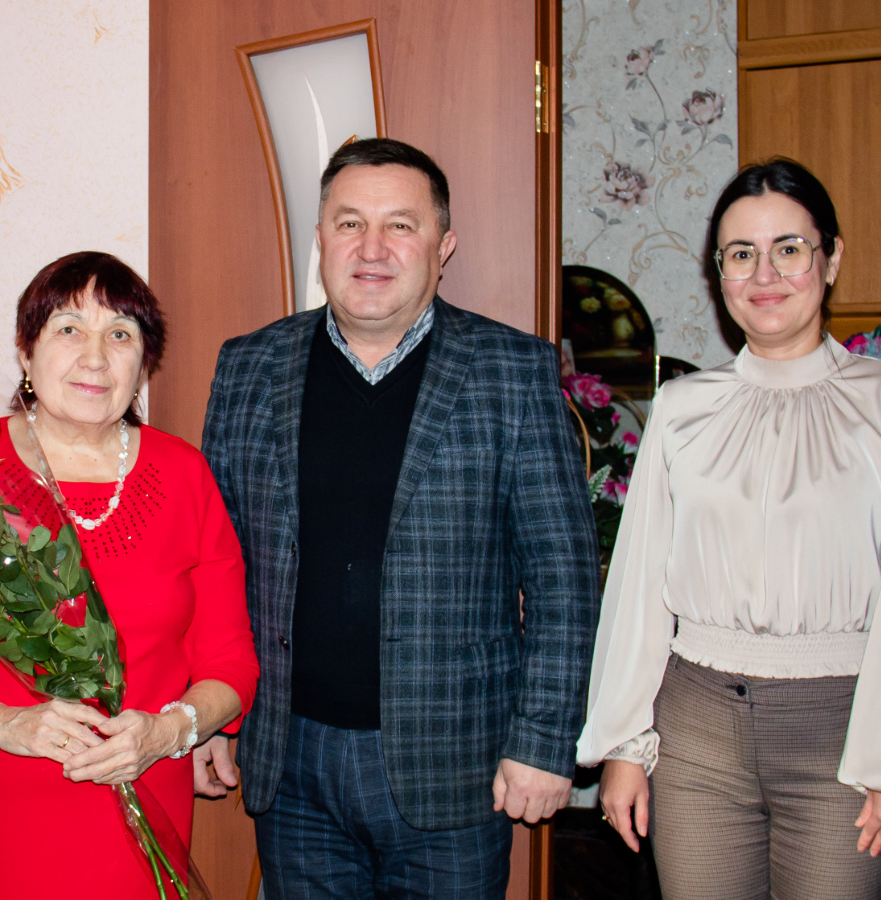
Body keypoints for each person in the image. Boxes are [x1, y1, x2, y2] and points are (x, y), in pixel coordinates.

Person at [197, 137, 601, 897]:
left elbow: (564, 577)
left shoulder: (513, 371)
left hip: (456, 767)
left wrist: (545, 739)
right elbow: (215, 562)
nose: (372, 248)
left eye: (401, 226)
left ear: (443, 246)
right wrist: (208, 713)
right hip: (291, 761)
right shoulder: (248, 365)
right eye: (350, 223)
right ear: (321, 239)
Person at [578, 158, 881, 899]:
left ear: (832, 259)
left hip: (844, 737)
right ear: (719, 274)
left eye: (789, 248)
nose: (765, 274)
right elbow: (640, 586)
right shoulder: (683, 408)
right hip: (695, 737)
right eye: (741, 253)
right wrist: (624, 746)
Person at [0, 251, 259, 899]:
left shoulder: (185, 475)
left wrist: (170, 731)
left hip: (142, 793)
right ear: (26, 351)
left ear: (144, 362)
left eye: (120, 334)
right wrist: (1, 722)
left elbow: (231, 662)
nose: (95, 357)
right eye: (69, 329)